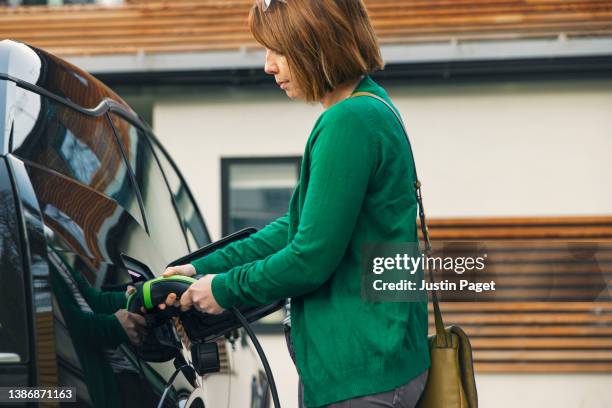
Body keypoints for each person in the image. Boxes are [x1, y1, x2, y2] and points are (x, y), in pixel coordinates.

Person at [160, 0, 430, 407]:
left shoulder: (348, 122)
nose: (268, 66)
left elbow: (309, 258)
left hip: (361, 375)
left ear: (316, 43)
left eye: (277, 51)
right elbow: (296, 228)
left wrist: (223, 289)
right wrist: (203, 268)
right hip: (376, 364)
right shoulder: (373, 108)